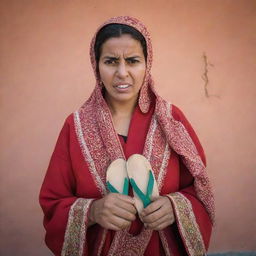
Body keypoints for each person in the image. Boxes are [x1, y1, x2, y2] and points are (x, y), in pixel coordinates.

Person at [39, 16, 214, 256]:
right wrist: (93, 211)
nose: (122, 73)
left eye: (132, 61)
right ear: (96, 65)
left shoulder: (171, 120)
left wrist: (175, 207)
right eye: (111, 61)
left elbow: (200, 189)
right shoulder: (76, 126)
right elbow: (53, 202)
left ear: (147, 64)